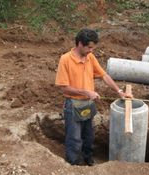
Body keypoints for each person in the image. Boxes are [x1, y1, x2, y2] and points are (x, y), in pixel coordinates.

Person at [55, 28, 132, 166]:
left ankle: (88, 158)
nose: (91, 50)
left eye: (93, 47)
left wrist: (119, 91)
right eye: (89, 47)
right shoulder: (65, 59)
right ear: (80, 44)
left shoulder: (90, 57)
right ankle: (75, 163)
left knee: (89, 136)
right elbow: (63, 87)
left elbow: (104, 75)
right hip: (73, 105)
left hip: (88, 104)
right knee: (74, 138)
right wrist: (87, 92)